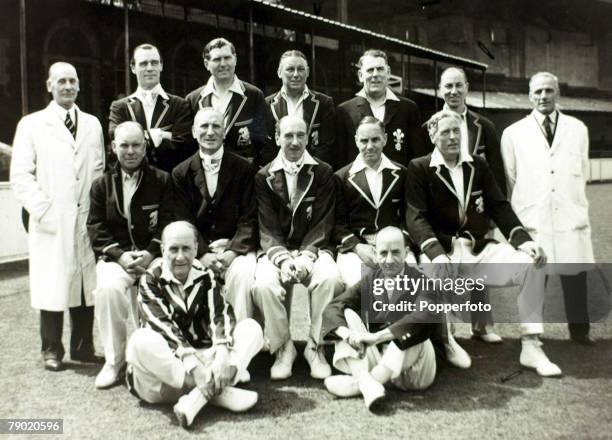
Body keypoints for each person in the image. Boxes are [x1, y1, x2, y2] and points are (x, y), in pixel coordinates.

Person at [406, 110, 562, 377]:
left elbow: (500, 207)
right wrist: (435, 253)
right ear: (433, 136)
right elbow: (415, 216)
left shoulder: (478, 164)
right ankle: (448, 341)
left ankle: (531, 344)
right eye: (445, 132)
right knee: (433, 277)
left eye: (457, 131)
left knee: (531, 264)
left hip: (478, 250)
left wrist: (524, 241)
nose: (453, 137)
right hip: (443, 252)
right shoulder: (419, 167)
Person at [10, 62, 105, 371]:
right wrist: (45, 211)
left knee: (83, 285)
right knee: (52, 285)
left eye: (73, 81)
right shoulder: (32, 124)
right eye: (61, 81)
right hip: (51, 219)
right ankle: (51, 349)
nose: (68, 86)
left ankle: (83, 347)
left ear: (79, 86)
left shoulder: (92, 124)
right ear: (49, 85)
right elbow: (21, 176)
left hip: (84, 216)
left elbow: (99, 172)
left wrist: (96, 212)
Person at [126, 221, 264, 429]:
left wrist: (222, 352)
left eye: (186, 249)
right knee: (139, 341)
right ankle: (218, 391)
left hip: (204, 362)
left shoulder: (206, 276)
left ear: (196, 249)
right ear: (163, 250)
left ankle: (195, 400)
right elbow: (162, 326)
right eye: (173, 249)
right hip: (163, 379)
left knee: (252, 329)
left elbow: (220, 315)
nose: (180, 256)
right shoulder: (150, 280)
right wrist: (194, 369)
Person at [501, 72, 595, 345]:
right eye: (538, 92)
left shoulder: (577, 129)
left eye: (548, 91)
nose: (543, 96)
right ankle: (532, 334)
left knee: (575, 276)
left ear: (558, 94)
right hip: (534, 216)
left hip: (569, 214)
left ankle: (580, 332)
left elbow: (582, 172)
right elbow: (511, 179)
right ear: (529, 96)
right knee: (533, 278)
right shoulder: (513, 133)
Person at [253, 115, 343, 380]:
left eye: (300, 135)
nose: (294, 142)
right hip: (276, 251)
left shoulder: (323, 172)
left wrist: (305, 258)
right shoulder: (263, 175)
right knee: (263, 286)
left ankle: (316, 348)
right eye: (288, 136)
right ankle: (284, 347)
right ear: (278, 137)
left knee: (329, 279)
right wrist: (283, 260)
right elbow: (266, 226)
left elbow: (324, 222)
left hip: (313, 250)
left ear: (308, 137)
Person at [87, 121, 174, 388]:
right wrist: (121, 256)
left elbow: (168, 221)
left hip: (153, 256)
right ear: (114, 148)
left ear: (145, 147)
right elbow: (96, 227)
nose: (130, 151)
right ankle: (114, 361)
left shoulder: (162, 179)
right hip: (117, 258)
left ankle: (156, 358)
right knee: (108, 289)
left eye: (136, 144)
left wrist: (150, 253)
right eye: (124, 145)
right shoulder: (101, 185)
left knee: (164, 282)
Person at [321, 226, 439, 410]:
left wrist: (376, 337)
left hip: (415, 373)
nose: (389, 260)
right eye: (383, 253)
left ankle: (359, 384)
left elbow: (424, 316)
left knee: (412, 329)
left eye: (396, 252)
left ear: (407, 252)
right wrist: (347, 335)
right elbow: (333, 307)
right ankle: (367, 381)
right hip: (380, 360)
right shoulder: (371, 280)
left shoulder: (422, 281)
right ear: (375, 254)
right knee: (346, 315)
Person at [437, 67, 505, 343]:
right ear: (440, 90)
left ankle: (481, 325)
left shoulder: (483, 126)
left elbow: (497, 174)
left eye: (458, 85)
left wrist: (492, 217)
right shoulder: (431, 123)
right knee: (445, 267)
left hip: (476, 210)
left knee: (479, 267)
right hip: (443, 210)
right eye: (448, 86)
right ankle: (447, 328)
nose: (453, 92)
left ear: (467, 87)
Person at [172, 108, 258, 326]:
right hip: (198, 250)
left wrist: (232, 251)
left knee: (243, 275)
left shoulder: (244, 168)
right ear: (193, 131)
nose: (210, 132)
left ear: (225, 131)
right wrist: (202, 253)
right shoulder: (181, 173)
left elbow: (249, 216)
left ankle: (242, 341)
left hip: (235, 248)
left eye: (216, 126)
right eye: (204, 126)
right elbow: (183, 220)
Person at [334, 116, 415, 287]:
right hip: (357, 249)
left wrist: (397, 244)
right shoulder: (341, 178)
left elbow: (410, 217)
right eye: (364, 140)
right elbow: (337, 223)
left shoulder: (402, 173)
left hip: (396, 246)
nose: (370, 146)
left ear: (385, 139)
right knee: (362, 286)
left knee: (408, 285)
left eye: (375, 139)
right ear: (356, 141)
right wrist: (357, 247)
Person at [109, 44, 193, 172]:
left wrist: (138, 137)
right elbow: (115, 135)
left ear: (161, 66)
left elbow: (184, 144)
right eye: (143, 64)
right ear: (133, 68)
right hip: (133, 182)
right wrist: (162, 135)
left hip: (170, 183)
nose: (149, 68)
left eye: (154, 63)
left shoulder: (180, 105)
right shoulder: (120, 107)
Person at [185, 37, 268, 166]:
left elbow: (263, 140)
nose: (223, 64)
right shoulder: (193, 99)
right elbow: (189, 144)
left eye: (227, 58)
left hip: (244, 175)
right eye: (217, 59)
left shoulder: (254, 95)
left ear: (235, 60)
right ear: (207, 64)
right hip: (207, 173)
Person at [336, 49, 424, 168]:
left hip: (400, 184)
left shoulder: (408, 109)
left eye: (380, 69)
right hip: (359, 184)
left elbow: (417, 157)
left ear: (388, 73)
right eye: (370, 70)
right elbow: (341, 159)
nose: (375, 74)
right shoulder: (345, 111)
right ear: (361, 76)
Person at [263, 50, 336, 166]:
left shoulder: (324, 103)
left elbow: (327, 146)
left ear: (307, 72)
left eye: (301, 69)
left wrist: (313, 171)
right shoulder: (267, 104)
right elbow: (267, 147)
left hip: (315, 173)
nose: (296, 74)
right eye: (290, 69)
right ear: (279, 72)